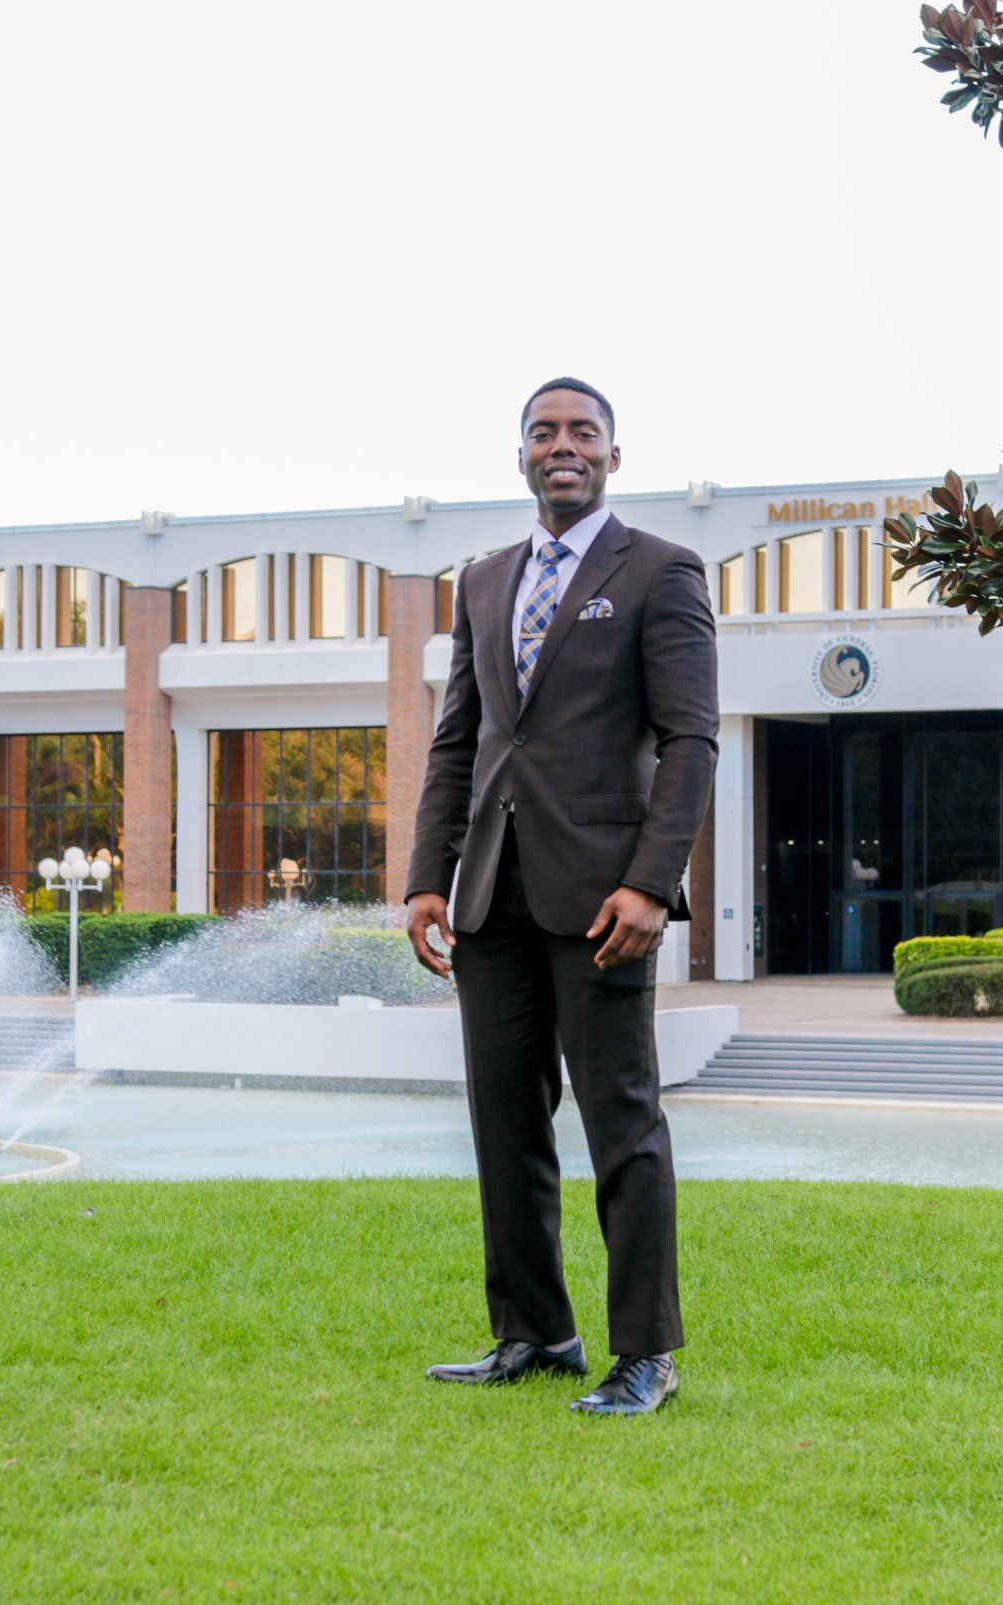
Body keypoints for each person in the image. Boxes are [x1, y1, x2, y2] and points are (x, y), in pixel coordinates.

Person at [404, 376, 719, 1416]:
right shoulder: (484, 580)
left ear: (614, 458)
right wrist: (423, 880)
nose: (562, 445)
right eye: (543, 431)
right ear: (523, 456)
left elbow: (689, 741)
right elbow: (462, 738)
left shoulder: (661, 572)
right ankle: (535, 1331)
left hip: (601, 905)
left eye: (583, 431)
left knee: (622, 1125)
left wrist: (650, 883)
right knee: (504, 1123)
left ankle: (647, 1356)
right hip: (489, 894)